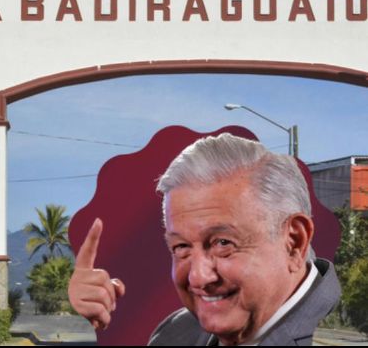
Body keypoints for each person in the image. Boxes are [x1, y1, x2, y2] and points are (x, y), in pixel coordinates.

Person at [68, 133, 341, 346]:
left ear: (293, 242)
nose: (198, 278)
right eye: (181, 247)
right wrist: (85, 324)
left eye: (223, 243)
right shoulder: (175, 334)